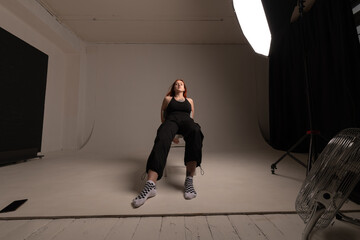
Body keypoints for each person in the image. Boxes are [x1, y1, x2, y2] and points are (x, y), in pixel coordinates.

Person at [132, 79, 204, 208]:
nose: (179, 84)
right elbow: (162, 114)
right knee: (162, 136)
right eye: (176, 83)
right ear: (174, 88)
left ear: (184, 88)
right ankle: (150, 185)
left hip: (186, 122)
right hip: (171, 121)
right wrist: (170, 135)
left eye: (181, 83)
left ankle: (189, 180)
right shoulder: (168, 99)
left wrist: (188, 130)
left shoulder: (190, 101)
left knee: (196, 131)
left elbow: (192, 116)